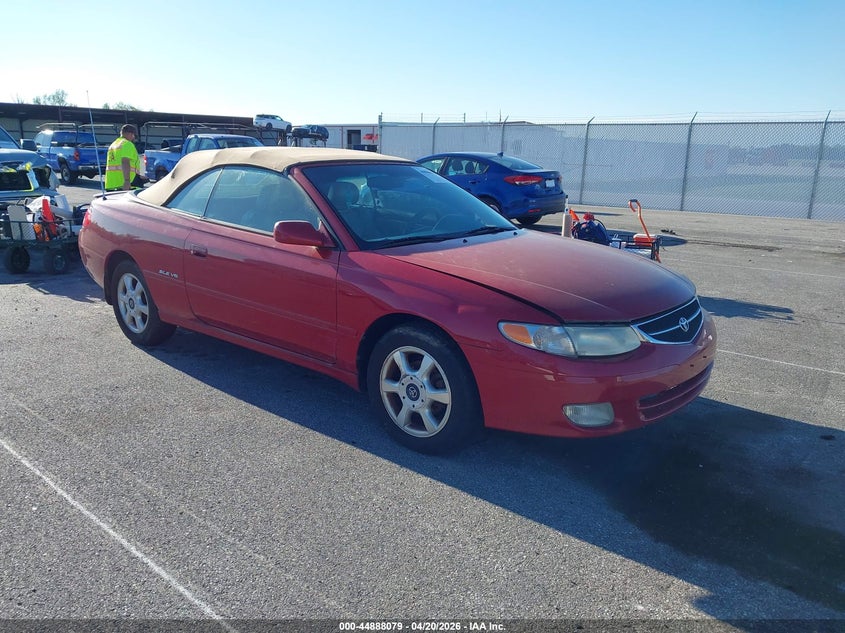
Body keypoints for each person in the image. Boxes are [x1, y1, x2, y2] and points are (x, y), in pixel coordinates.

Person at [105, 124, 147, 191]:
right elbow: (125, 162)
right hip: (126, 184)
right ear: (130, 134)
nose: (133, 138)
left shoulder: (113, 145)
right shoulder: (127, 144)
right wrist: (127, 181)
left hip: (111, 184)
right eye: (134, 135)